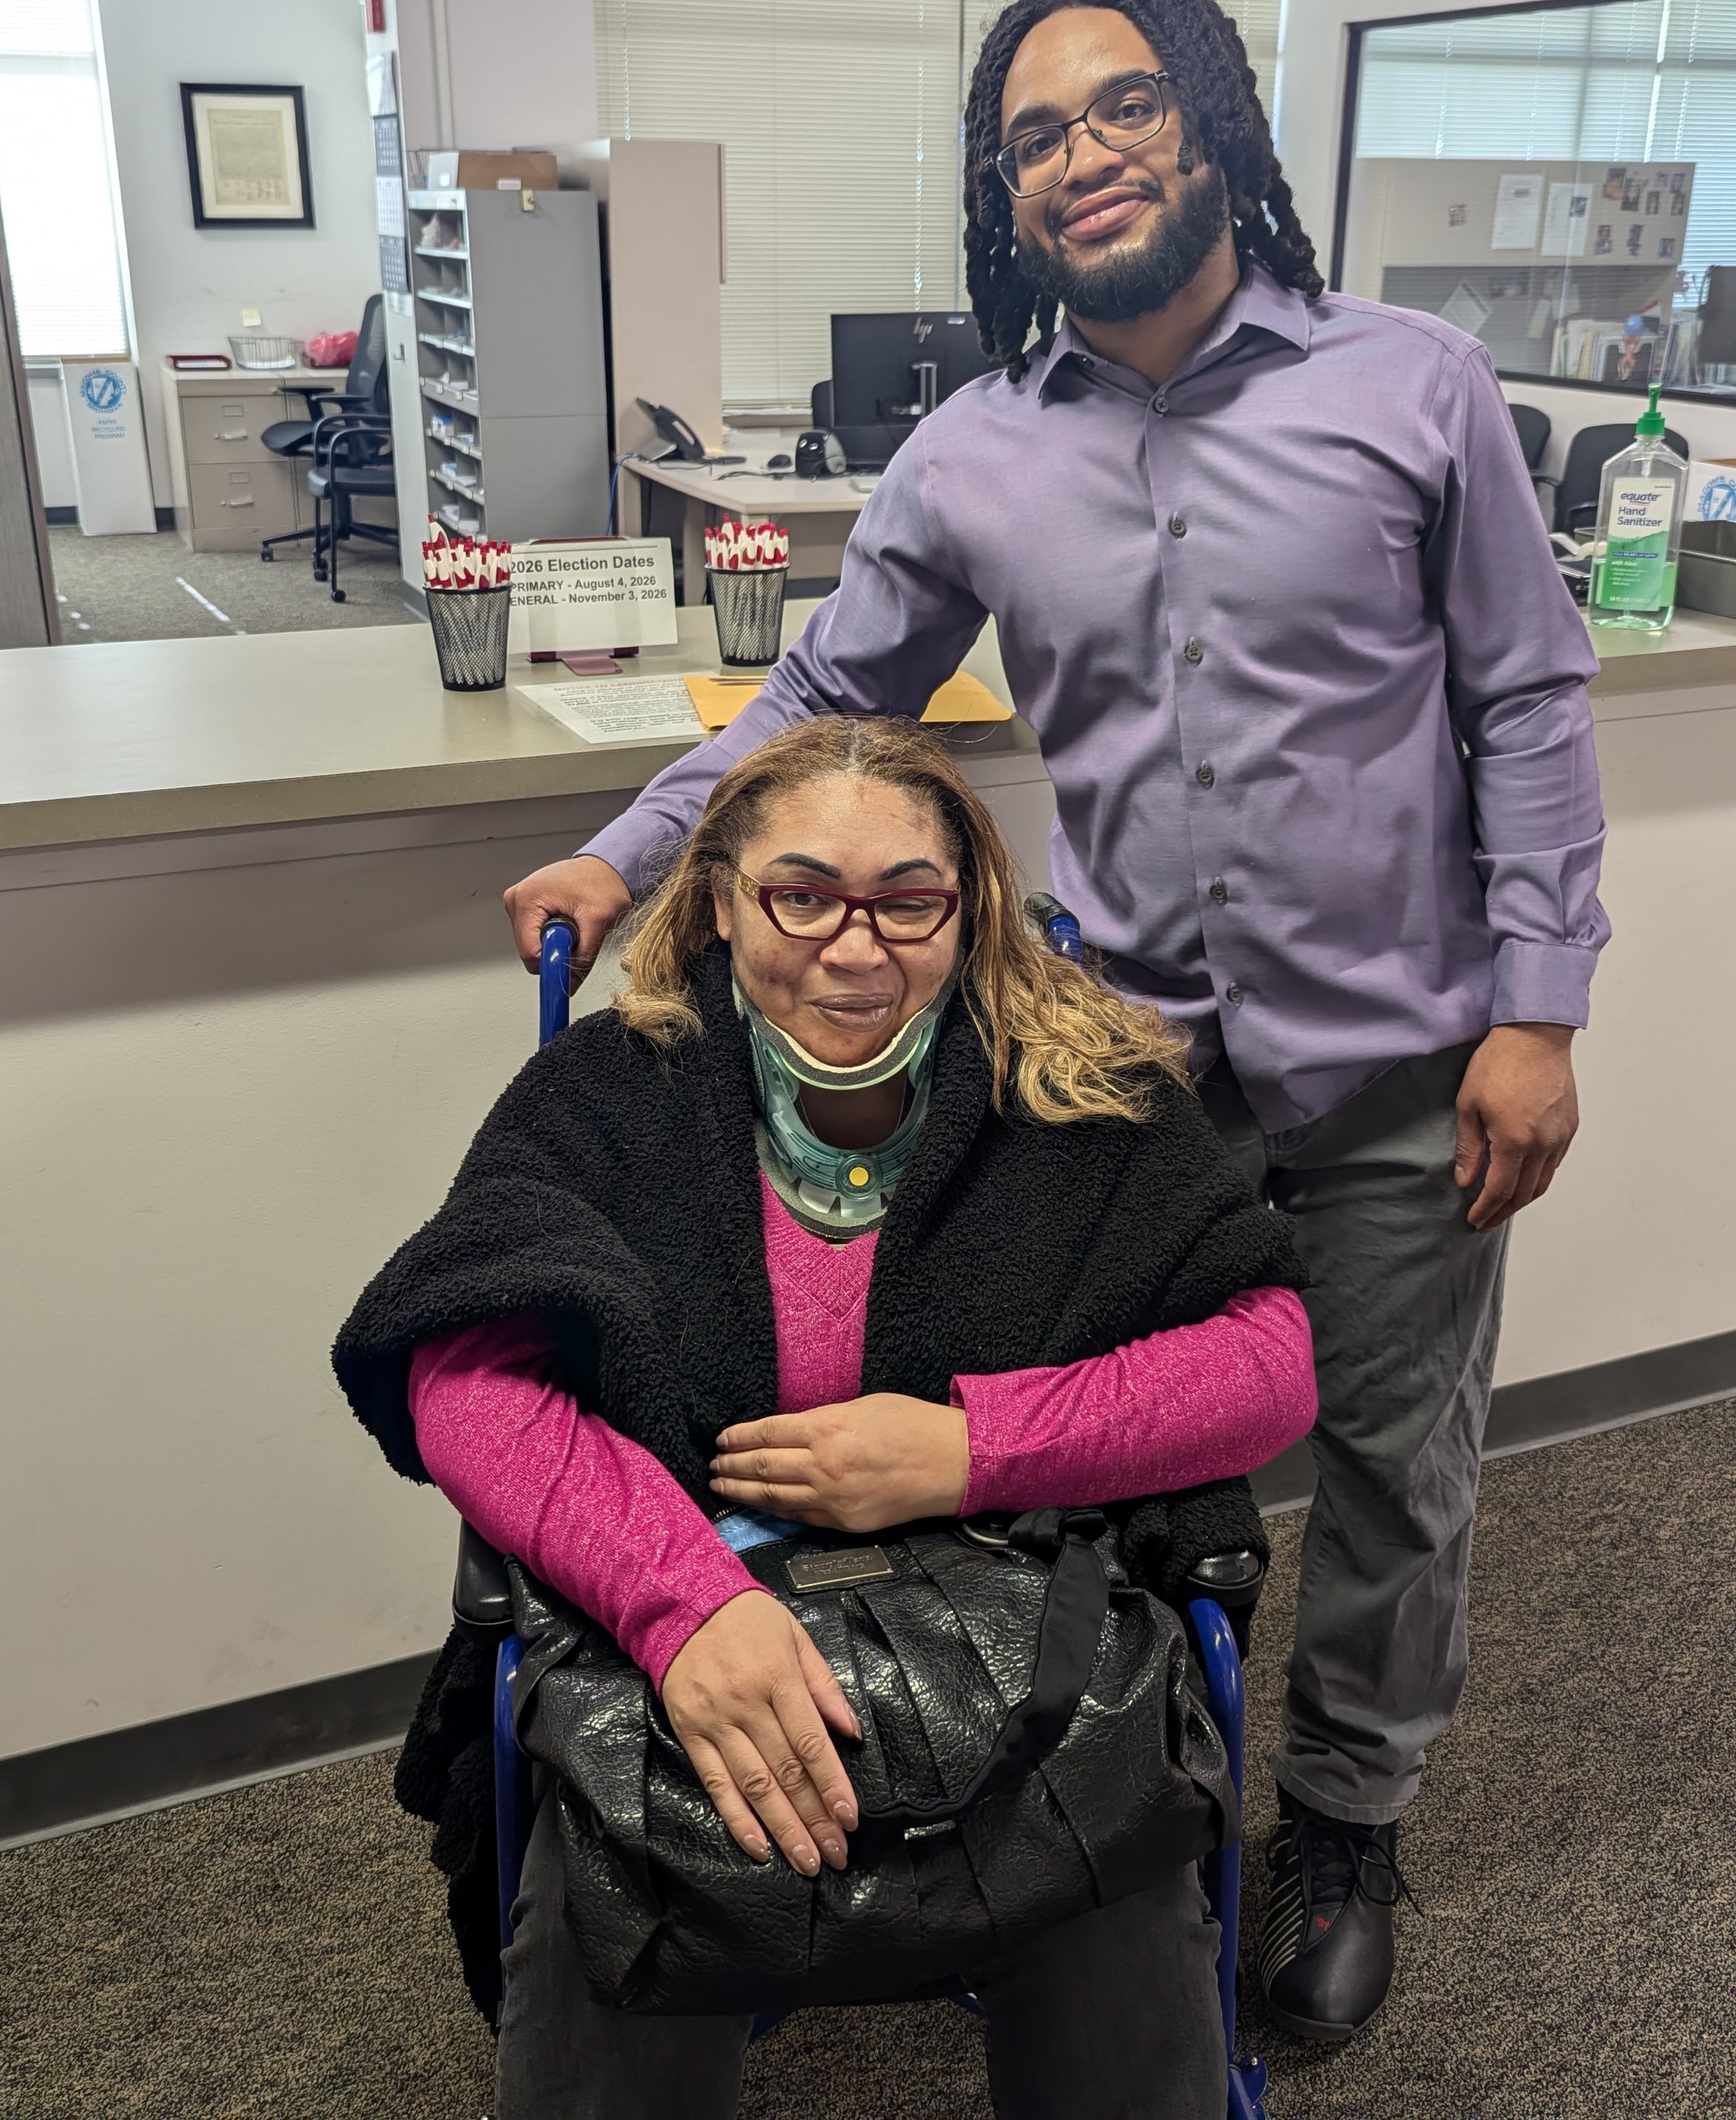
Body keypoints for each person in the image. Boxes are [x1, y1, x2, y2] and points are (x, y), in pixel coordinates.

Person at [501, 0, 1609, 2042]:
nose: (1080, 157)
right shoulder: (974, 452)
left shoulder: (1410, 386)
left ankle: (1346, 1816)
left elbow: (1527, 700)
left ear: (1208, 125)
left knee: (1391, 1464)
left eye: (1118, 108)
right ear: (1001, 200)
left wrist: (1537, 1008)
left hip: (1400, 1070)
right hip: (1127, 1072)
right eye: (1031, 137)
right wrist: (627, 847)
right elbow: (836, 689)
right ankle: (1094, 1800)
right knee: (1095, 1459)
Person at [337, 715, 1316, 2119]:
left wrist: (969, 1447)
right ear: (724, 896)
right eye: (801, 893)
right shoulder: (611, 1087)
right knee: (621, 1889)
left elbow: (1264, 1361)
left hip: (1019, 1593)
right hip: (680, 1602)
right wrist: (684, 1609)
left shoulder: (1075, 1083)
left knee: (1113, 1856)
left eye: (908, 900)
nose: (856, 952)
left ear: (966, 904)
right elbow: (469, 1382)